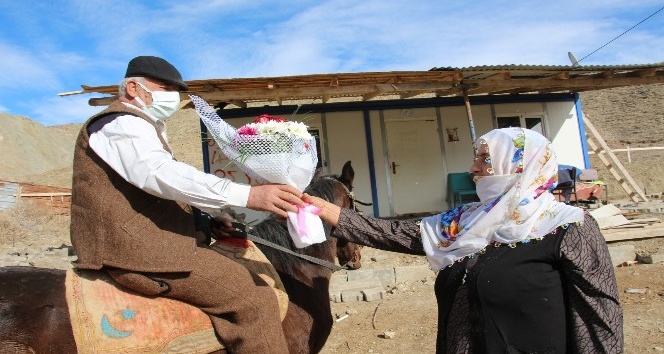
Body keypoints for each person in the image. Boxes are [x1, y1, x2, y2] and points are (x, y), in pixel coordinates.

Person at [302, 127, 623, 353]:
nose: (472, 168)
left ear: (519, 166)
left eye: (485, 159)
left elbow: (600, 325)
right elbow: (398, 234)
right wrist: (319, 206)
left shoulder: (569, 228)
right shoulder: (465, 221)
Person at [70, 55, 302, 354]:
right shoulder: (121, 124)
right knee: (255, 298)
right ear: (132, 88)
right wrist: (250, 196)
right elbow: (161, 176)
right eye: (165, 87)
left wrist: (204, 222)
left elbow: (153, 196)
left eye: (175, 90)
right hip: (138, 252)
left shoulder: (142, 125)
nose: (172, 96)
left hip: (147, 243)